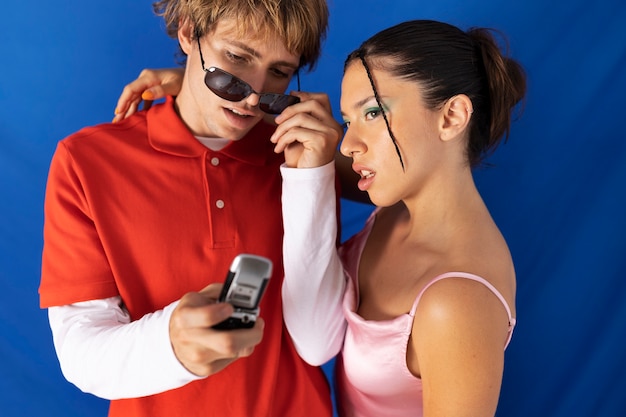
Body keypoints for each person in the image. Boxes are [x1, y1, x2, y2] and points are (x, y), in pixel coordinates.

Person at [39, 1, 343, 416]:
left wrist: (313, 174)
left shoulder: (300, 152)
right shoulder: (87, 161)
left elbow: (317, 341)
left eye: (279, 72)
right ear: (187, 32)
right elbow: (80, 352)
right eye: (236, 57)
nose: (254, 96)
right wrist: (170, 342)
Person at [274, 20, 526, 416]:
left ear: (452, 117)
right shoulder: (394, 198)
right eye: (348, 121)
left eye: (373, 113)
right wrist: (199, 88)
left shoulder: (456, 302)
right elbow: (307, 144)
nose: (349, 144)